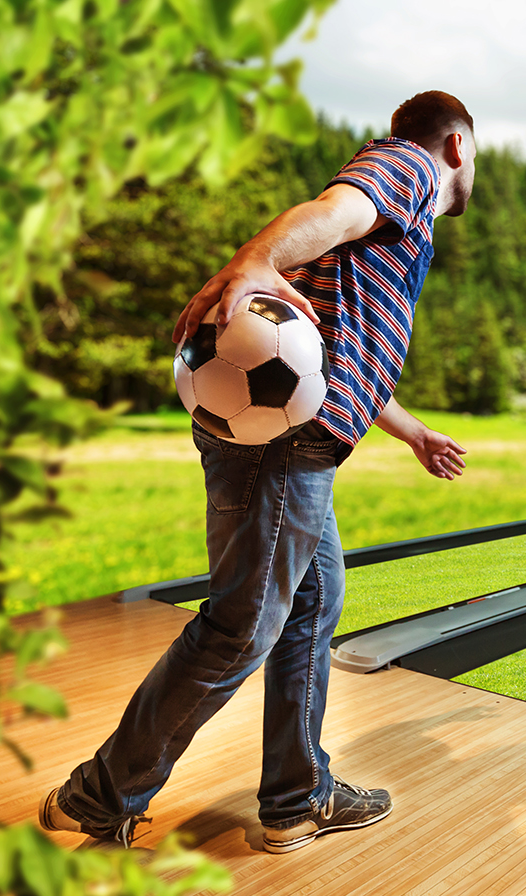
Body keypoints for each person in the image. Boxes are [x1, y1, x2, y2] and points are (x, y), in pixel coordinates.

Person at [38, 90, 477, 854]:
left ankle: (297, 798)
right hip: (284, 441)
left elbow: (339, 350)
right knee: (244, 626)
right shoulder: (408, 167)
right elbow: (337, 208)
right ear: (461, 148)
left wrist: (411, 432)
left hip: (291, 433)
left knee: (311, 604)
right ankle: (100, 793)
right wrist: (256, 258)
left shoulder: (382, 245)